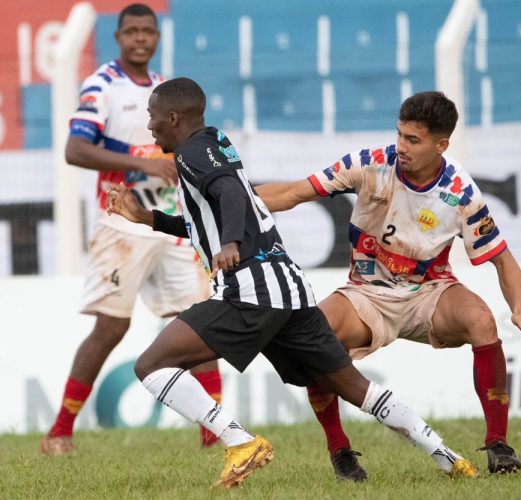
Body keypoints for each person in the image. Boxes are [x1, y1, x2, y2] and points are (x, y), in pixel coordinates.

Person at [106, 77, 479, 488]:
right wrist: (148, 218)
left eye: (153, 117)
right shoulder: (215, 144)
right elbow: (212, 217)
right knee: (355, 388)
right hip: (290, 288)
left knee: (152, 365)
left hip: (253, 289)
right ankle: (447, 457)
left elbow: (230, 194)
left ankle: (239, 442)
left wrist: (230, 243)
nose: (150, 125)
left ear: (173, 118)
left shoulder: (193, 153)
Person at [254, 90, 521, 477]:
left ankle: (499, 447)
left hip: (430, 293)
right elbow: (291, 193)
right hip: (366, 295)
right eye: (400, 135)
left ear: (441, 145)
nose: (401, 147)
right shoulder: (370, 164)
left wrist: (519, 309)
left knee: (482, 320)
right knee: (316, 334)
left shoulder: (460, 192)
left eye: (413, 140)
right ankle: (340, 453)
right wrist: (231, 204)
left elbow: (504, 260)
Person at [40, 3, 223, 455]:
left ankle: (212, 434)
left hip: (170, 226)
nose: (141, 38)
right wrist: (139, 162)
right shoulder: (102, 85)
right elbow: (75, 150)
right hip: (122, 224)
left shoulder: (164, 90)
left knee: (201, 324)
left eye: (149, 30)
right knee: (110, 329)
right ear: (118, 37)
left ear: (157, 37)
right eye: (132, 31)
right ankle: (60, 431)